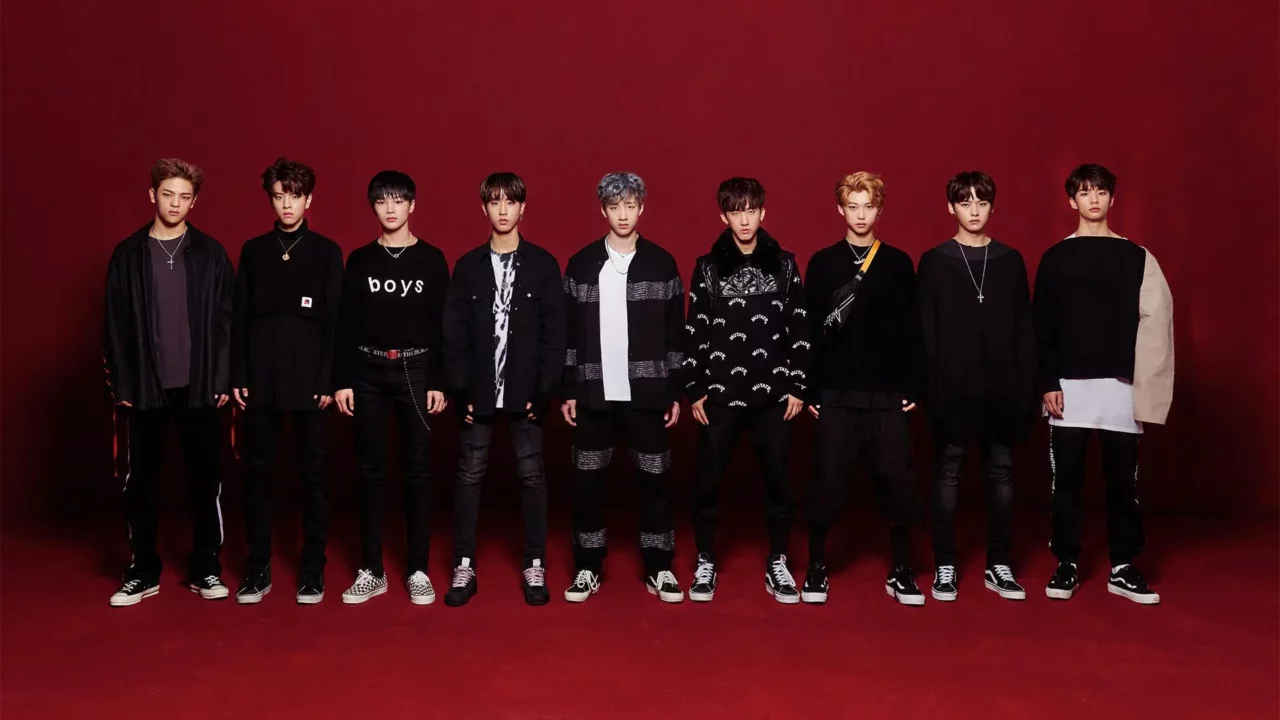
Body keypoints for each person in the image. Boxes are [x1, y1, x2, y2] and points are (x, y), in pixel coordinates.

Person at [1034, 163, 1174, 605]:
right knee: (1067, 481)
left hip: (1121, 387)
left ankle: (1123, 566)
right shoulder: (1055, 257)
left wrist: (1146, 387)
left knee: (1123, 483)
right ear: (1071, 200)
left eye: (1100, 192)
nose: (1093, 199)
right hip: (1069, 388)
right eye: (1084, 192)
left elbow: (1157, 323)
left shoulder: (1137, 256)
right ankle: (1066, 562)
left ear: (1113, 199)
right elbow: (1042, 325)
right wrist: (1047, 381)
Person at [104, 158, 234, 606]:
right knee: (141, 483)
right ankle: (142, 571)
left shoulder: (211, 254)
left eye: (184, 197)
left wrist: (221, 378)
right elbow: (114, 324)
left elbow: (227, 322)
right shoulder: (128, 255)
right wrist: (122, 383)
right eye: (167, 195)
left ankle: (206, 568)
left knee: (206, 481)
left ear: (194, 201)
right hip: (146, 387)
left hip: (200, 387)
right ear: (152, 195)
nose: (175, 204)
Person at [801, 171, 927, 606]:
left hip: (886, 392)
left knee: (898, 479)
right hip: (836, 392)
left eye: (868, 206)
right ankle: (817, 566)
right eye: (852, 206)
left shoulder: (897, 263)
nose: (860, 215)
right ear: (840, 209)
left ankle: (902, 568)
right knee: (828, 477)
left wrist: (913, 385)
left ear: (879, 210)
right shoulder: (822, 262)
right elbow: (809, 330)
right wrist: (810, 388)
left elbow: (912, 328)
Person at [561, 172, 687, 604]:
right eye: (614, 207)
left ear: (641, 208)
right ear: (603, 210)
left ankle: (659, 567)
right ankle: (587, 567)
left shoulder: (662, 263)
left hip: (647, 393)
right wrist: (569, 389)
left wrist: (673, 390)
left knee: (655, 483)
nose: (622, 215)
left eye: (630, 206)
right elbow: (569, 335)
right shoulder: (581, 264)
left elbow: (675, 335)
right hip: (593, 391)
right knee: (587, 484)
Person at [441, 172, 565, 607]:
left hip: (525, 392)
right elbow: (453, 333)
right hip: (478, 391)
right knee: (469, 475)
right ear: (484, 209)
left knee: (532, 475)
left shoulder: (544, 265)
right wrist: (459, 389)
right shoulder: (467, 267)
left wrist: (545, 390)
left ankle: (535, 563)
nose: (503, 210)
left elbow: (555, 333)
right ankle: (463, 565)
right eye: (494, 202)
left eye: (510, 202)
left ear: (522, 207)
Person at [683, 177, 809, 604]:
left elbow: (799, 325)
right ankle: (705, 558)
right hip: (719, 393)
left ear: (763, 213)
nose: (744, 220)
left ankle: (778, 559)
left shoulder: (785, 265)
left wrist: (798, 384)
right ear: (723, 216)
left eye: (751, 211)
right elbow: (695, 328)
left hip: (773, 394)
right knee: (708, 481)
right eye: (736, 212)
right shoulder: (707, 267)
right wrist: (695, 388)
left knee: (780, 481)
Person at [917, 171, 1037, 602]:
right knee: (948, 472)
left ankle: (998, 563)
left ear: (992, 207)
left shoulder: (1010, 260)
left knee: (1001, 473)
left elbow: (1024, 327)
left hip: (1002, 389)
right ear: (951, 207)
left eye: (981, 203)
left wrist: (1027, 388)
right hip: (953, 390)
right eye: (965, 202)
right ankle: (945, 562)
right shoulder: (934, 261)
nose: (974, 211)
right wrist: (932, 390)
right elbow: (925, 332)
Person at [333, 170, 450, 605]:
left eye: (398, 200)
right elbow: (345, 323)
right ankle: (371, 570)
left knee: (418, 471)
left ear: (412, 206)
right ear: (373, 207)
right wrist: (343, 380)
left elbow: (443, 325)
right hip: (367, 371)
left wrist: (438, 380)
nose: (390, 208)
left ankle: (418, 569)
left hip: (415, 371)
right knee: (370, 471)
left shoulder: (432, 259)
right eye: (382, 201)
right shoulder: (360, 260)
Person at [231, 158, 343, 605]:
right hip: (260, 379)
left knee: (314, 476)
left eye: (294, 196)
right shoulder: (254, 250)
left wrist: (328, 380)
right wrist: (238, 374)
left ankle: (313, 567)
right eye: (279, 197)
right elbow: (239, 317)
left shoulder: (327, 252)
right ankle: (257, 566)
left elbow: (335, 323)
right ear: (271, 200)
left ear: (308, 200)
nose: (286, 205)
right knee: (257, 476)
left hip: (310, 382)